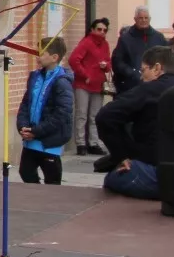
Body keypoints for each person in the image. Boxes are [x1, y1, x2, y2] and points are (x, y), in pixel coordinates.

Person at [95, 46, 174, 199]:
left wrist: (121, 155)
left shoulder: (149, 90)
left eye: (143, 71)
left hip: (155, 174)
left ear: (157, 68)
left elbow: (105, 116)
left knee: (113, 177)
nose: (141, 78)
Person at [15, 38, 74, 185]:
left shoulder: (62, 81)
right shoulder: (35, 77)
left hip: (49, 141)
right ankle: (36, 197)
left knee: (52, 179)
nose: (37, 57)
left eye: (42, 53)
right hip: (31, 139)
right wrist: (23, 126)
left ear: (54, 57)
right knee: (26, 172)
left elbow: (62, 113)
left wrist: (37, 131)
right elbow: (25, 104)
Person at [67, 18, 111, 156]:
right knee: (82, 114)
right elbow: (73, 59)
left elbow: (109, 63)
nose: (102, 32)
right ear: (92, 29)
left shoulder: (105, 45)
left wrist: (106, 66)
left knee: (94, 116)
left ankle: (93, 142)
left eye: (104, 30)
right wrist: (84, 74)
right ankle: (80, 143)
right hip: (83, 84)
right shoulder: (86, 42)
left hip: (97, 85)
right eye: (99, 29)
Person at [111, 7, 167, 95]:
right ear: (135, 19)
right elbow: (117, 62)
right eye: (140, 18)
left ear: (150, 19)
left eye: (146, 18)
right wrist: (132, 73)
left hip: (155, 85)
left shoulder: (159, 37)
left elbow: (166, 59)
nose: (143, 20)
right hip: (131, 86)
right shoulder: (125, 38)